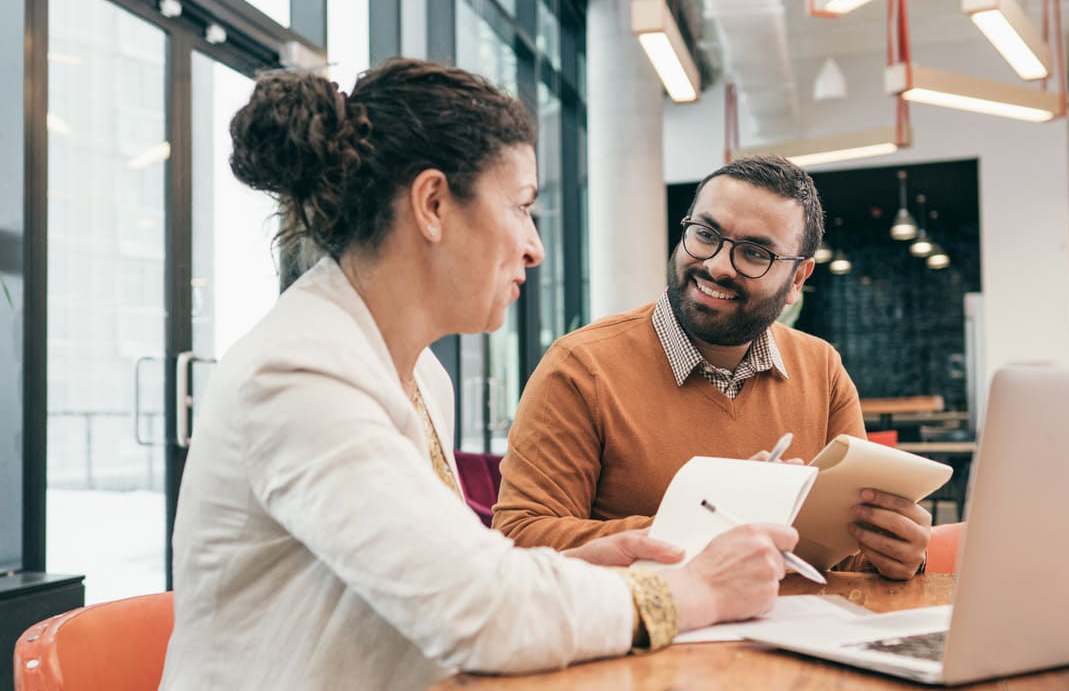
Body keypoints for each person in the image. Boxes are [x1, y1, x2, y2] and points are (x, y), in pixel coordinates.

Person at [158, 60, 801, 690]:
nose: (535, 247)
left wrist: (581, 567)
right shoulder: (298, 373)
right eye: (521, 208)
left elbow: (435, 575)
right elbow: (476, 613)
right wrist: (691, 589)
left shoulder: (418, 374)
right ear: (433, 203)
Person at [493, 155, 932, 581]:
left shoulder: (822, 368)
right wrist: (708, 524)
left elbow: (843, 555)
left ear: (798, 280)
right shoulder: (579, 367)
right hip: (653, 645)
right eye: (705, 233)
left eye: (755, 252)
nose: (717, 265)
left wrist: (894, 551)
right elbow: (520, 539)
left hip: (799, 639)